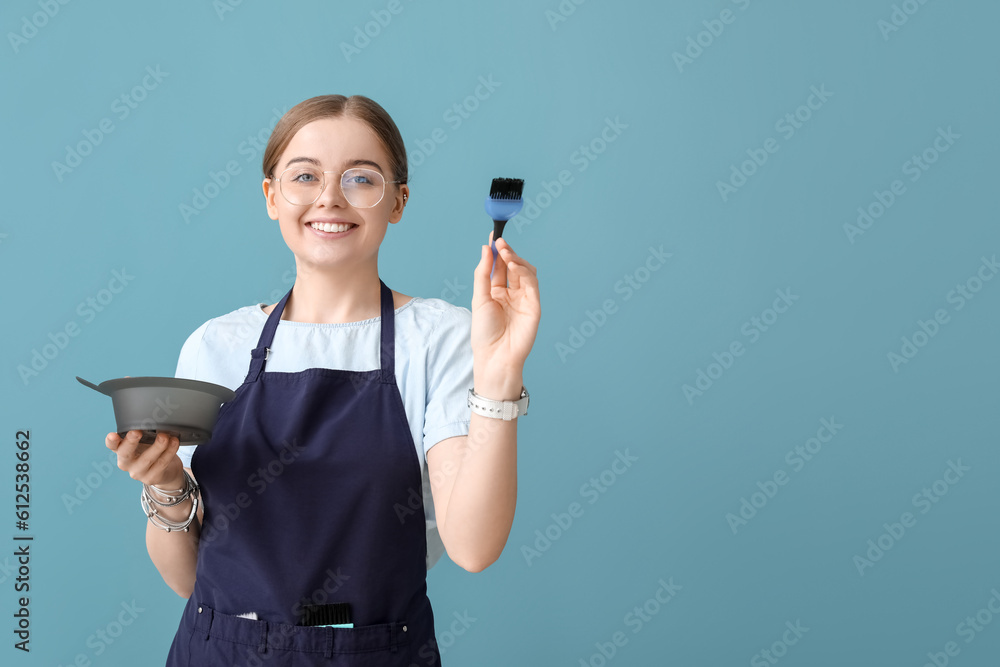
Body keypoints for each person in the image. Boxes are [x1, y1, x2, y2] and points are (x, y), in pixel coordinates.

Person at [104, 94, 540, 666]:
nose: (329, 197)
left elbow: (474, 547)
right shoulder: (217, 346)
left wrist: (501, 372)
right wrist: (165, 486)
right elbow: (188, 578)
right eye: (304, 175)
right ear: (270, 196)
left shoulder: (439, 337)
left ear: (398, 201)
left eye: (361, 178)